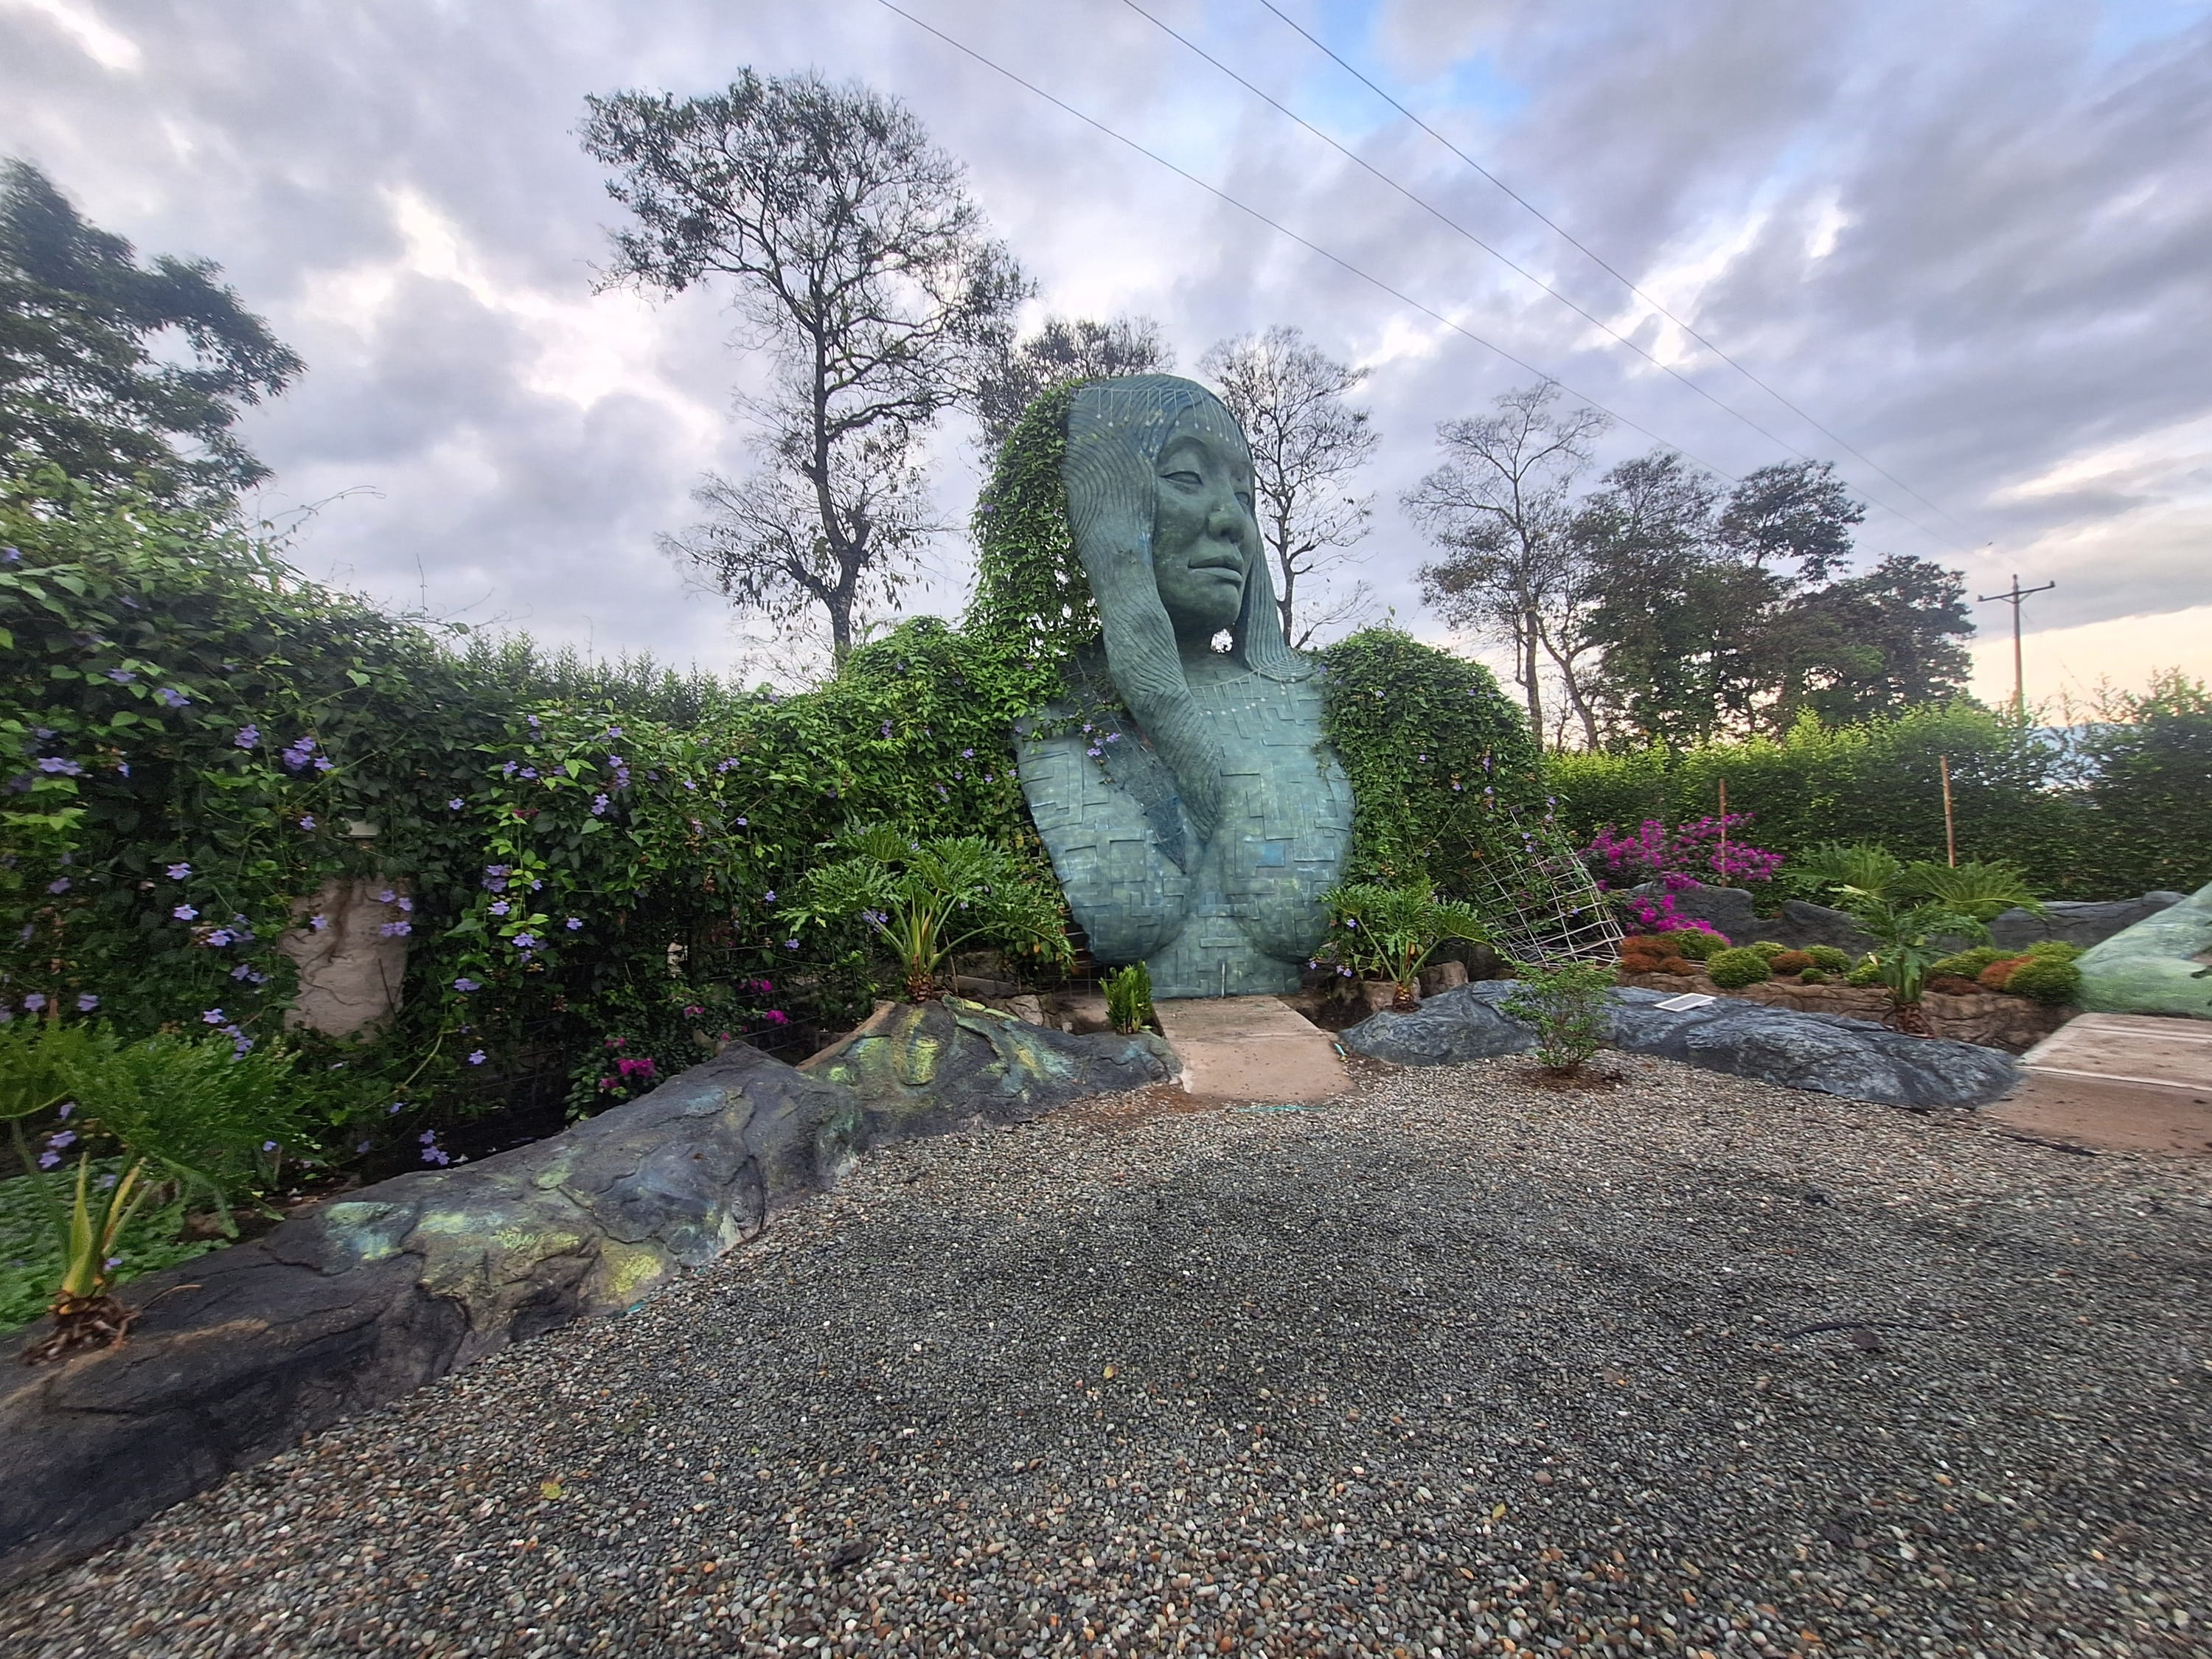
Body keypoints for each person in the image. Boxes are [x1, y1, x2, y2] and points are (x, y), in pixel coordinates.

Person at [1011, 376, 1352, 997]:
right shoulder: (1052, 710)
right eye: (1186, 479)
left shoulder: (1317, 700)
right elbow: (1124, 912)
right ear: (1103, 510)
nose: (1231, 522)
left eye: (1243, 494)